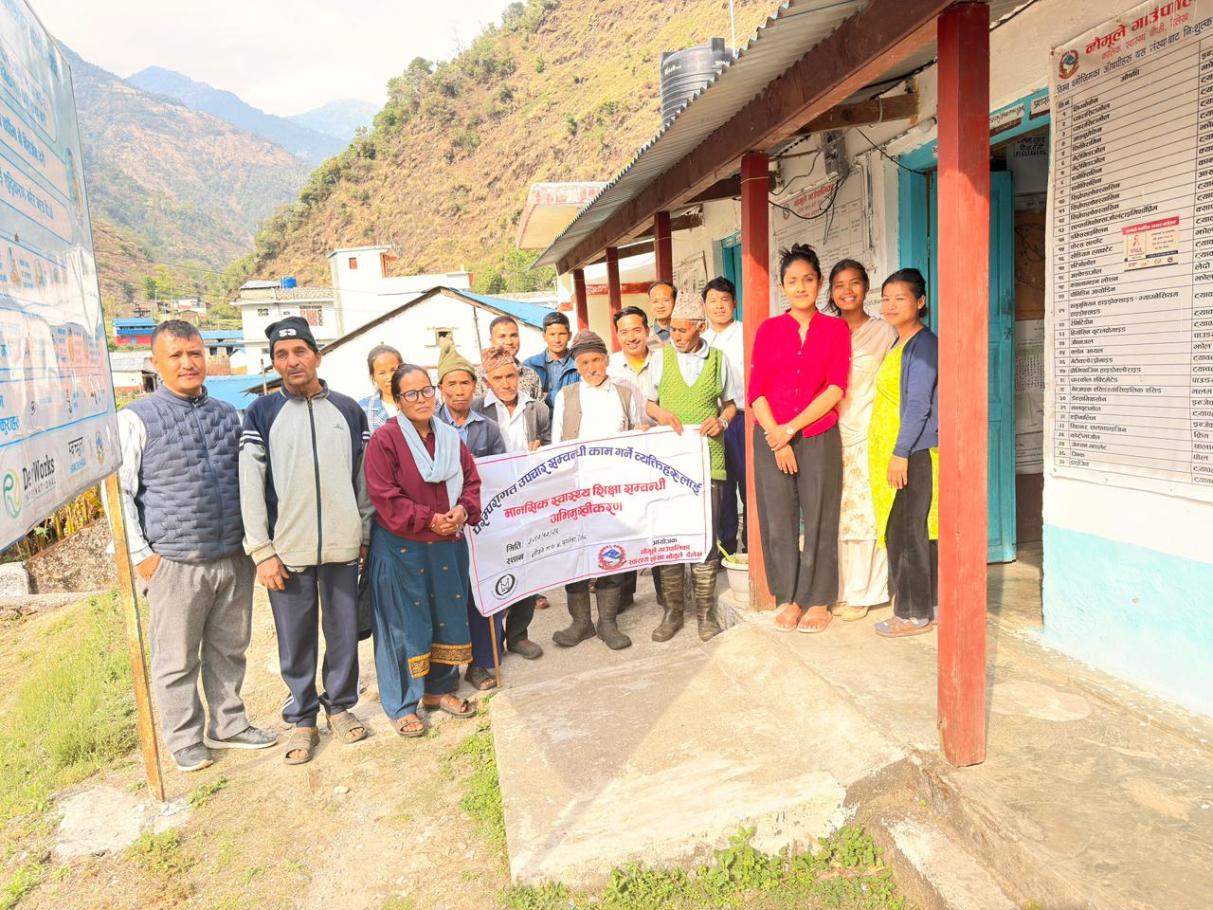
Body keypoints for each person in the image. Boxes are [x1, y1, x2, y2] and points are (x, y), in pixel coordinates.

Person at [118, 320, 276, 773]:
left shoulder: (227, 414)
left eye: (194, 353)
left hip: (232, 554)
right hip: (174, 560)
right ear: (155, 362)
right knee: (176, 657)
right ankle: (185, 738)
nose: (187, 363)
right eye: (176, 355)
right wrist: (143, 557)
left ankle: (228, 724)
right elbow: (121, 493)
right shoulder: (136, 419)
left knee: (230, 647)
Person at [240, 316, 374, 765]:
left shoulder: (348, 410)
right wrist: (262, 551)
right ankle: (302, 718)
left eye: (300, 351)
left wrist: (364, 533)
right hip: (287, 550)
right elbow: (249, 486)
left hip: (342, 544)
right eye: (281, 355)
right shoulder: (262, 413)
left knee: (342, 631)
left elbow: (362, 479)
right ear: (274, 363)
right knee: (294, 637)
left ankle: (339, 706)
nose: (292, 361)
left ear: (317, 356)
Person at [364, 363, 479, 736]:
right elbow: (384, 495)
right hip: (403, 549)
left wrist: (462, 510)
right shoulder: (385, 440)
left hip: (446, 545)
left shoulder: (449, 437)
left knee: (446, 615)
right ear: (398, 400)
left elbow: (471, 481)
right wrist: (429, 519)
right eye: (411, 393)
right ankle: (402, 705)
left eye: (427, 390)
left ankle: (438, 690)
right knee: (403, 627)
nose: (421, 399)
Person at [749, 244, 852, 635]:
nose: (801, 287)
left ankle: (819, 598)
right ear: (782, 286)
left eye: (808, 279)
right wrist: (777, 437)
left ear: (819, 282)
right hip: (770, 435)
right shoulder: (769, 330)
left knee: (821, 514)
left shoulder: (835, 329)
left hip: (817, 435)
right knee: (779, 520)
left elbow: (836, 388)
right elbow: (756, 391)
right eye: (792, 281)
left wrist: (790, 429)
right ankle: (790, 597)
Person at [646, 293, 740, 642]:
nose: (676, 336)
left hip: (708, 458)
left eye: (683, 330)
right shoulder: (661, 359)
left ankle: (706, 613)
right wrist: (660, 414)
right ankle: (673, 612)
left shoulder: (717, 359)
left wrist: (722, 421)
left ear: (700, 328)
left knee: (705, 535)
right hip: (670, 462)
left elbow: (730, 404)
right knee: (672, 536)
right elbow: (649, 404)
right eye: (672, 330)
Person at [550, 330, 647, 650]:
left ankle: (607, 622)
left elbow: (637, 434)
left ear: (606, 360)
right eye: (584, 362)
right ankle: (581, 622)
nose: (591, 367)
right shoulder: (566, 396)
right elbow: (557, 445)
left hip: (615, 491)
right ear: (576, 366)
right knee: (575, 554)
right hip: (578, 490)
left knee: (611, 552)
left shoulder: (624, 393)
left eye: (596, 360)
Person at [435, 343, 510, 690]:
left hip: (481, 523)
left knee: (484, 590)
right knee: (448, 597)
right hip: (441, 525)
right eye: (451, 384)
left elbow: (501, 475)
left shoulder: (488, 428)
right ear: (440, 389)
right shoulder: (429, 426)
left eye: (465, 383)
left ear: (475, 386)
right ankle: (447, 669)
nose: (459, 390)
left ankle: (481, 663)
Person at [826, 261, 898, 621]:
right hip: (829, 434)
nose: (847, 291)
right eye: (839, 285)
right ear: (831, 292)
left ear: (866, 286)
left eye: (854, 283)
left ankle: (865, 591)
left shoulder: (884, 332)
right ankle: (841, 588)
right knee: (836, 515)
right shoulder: (826, 332)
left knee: (865, 514)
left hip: (869, 434)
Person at [870, 268, 940, 638]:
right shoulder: (900, 342)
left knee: (908, 533)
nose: (891, 305)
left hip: (914, 451)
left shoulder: (923, 345)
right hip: (902, 450)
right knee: (903, 531)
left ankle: (914, 615)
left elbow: (918, 406)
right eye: (886, 298)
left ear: (920, 301)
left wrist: (901, 453)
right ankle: (925, 608)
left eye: (900, 298)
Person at [474, 345, 549, 661]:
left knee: (527, 565)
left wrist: (541, 448)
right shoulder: (477, 411)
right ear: (486, 381)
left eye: (510, 376)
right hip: (490, 502)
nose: (506, 383)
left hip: (527, 499)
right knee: (494, 568)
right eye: (498, 378)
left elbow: (551, 448)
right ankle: (491, 639)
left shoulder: (537, 409)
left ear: (519, 375)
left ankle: (519, 634)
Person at [607, 305, 661, 607]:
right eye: (624, 331)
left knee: (659, 518)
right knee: (626, 520)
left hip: (661, 449)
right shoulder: (611, 367)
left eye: (636, 330)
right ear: (617, 335)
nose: (631, 337)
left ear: (647, 331)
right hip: (626, 455)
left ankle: (665, 592)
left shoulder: (664, 359)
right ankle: (625, 592)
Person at [702, 276, 747, 556]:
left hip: (743, 418)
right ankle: (725, 546)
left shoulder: (747, 333)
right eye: (713, 301)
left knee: (748, 483)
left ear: (735, 303)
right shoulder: (701, 342)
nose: (719, 306)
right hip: (711, 423)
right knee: (721, 486)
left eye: (724, 300)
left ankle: (752, 547)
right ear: (704, 306)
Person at [475, 315, 543, 400]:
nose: (509, 342)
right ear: (491, 340)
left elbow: (539, 407)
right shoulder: (477, 376)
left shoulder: (530, 375)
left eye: (513, 335)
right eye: (502, 336)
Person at [523, 311, 579, 410]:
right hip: (541, 419)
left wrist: (548, 396)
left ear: (569, 335)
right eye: (552, 334)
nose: (557, 340)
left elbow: (581, 398)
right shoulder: (530, 365)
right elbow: (527, 400)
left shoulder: (579, 364)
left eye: (562, 334)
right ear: (544, 336)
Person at [358, 344, 404, 432]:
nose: (390, 378)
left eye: (393, 370)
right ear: (373, 377)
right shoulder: (364, 409)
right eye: (382, 373)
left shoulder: (419, 401)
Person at [647, 280, 676, 346]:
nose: (660, 306)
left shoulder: (687, 333)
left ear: (675, 302)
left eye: (666, 300)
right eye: (655, 301)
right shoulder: (644, 336)